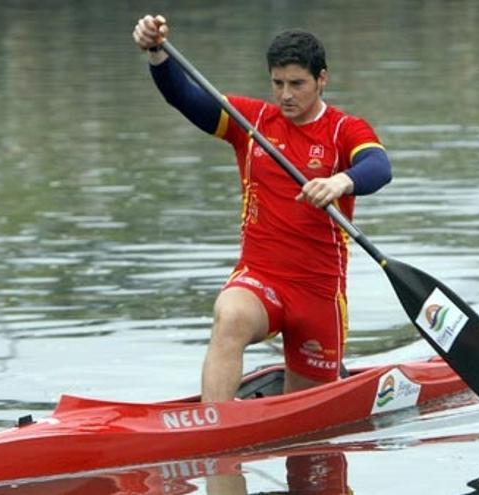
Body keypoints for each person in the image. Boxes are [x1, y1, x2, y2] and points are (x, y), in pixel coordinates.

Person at [132, 15, 392, 402]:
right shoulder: (249, 121)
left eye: (297, 84)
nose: (286, 95)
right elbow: (183, 96)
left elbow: (379, 166)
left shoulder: (343, 130)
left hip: (318, 294)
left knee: (309, 418)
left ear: (322, 79)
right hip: (261, 279)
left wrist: (341, 181)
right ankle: (212, 428)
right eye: (278, 83)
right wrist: (156, 53)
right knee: (230, 317)